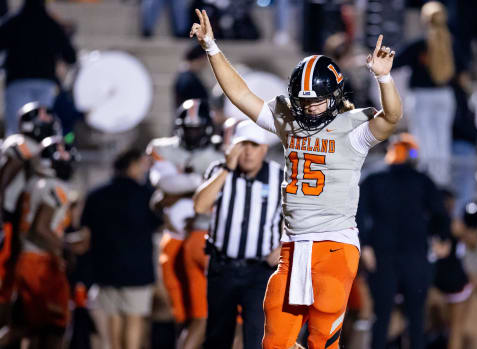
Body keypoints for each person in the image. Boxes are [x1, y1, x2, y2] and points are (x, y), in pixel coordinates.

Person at [189, 7, 402, 348]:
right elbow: (242, 96)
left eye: (318, 101)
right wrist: (212, 47)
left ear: (334, 96)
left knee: (322, 341)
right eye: (305, 101)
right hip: (292, 247)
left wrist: (384, 78)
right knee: (275, 341)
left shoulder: (353, 129)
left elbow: (391, 117)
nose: (311, 107)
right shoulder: (289, 119)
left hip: (334, 246)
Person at [193, 120, 283, 349]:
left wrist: (284, 246)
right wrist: (226, 168)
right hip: (222, 267)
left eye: (253, 145)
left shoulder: (280, 177)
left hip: (260, 271)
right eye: (243, 145)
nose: (248, 152)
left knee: (257, 339)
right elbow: (200, 206)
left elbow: (297, 218)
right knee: (217, 338)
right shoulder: (219, 171)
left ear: (264, 148)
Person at [357, 133, 450, 349]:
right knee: (394, 317)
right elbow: (359, 213)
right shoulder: (379, 179)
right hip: (393, 255)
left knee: (406, 318)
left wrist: (365, 243)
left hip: (402, 254)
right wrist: (365, 244)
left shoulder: (381, 179)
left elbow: (440, 213)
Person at [147, 98, 221, 348]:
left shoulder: (220, 151)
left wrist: (183, 189)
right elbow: (160, 194)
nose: (193, 133)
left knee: (206, 316)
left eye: (197, 128)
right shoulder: (164, 148)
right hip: (177, 239)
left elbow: (168, 194)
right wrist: (197, 184)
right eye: (188, 128)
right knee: (181, 312)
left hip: (206, 235)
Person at [80, 149, 162, 349]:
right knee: (134, 321)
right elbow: (159, 224)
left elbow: (86, 235)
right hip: (138, 272)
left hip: (105, 270)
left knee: (113, 321)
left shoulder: (96, 195)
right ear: (132, 165)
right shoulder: (146, 195)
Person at [9, 137, 86, 348]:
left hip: (28, 258)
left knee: (32, 328)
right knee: (55, 327)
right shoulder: (54, 187)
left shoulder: (34, 183)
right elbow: (41, 228)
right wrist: (68, 246)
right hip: (41, 264)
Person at [0, 102, 61, 327]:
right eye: (43, 117)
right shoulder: (24, 144)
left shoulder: (21, 143)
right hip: (6, 217)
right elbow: (4, 179)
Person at [393, 1, 457, 186]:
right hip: (445, 95)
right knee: (442, 139)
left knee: (423, 139)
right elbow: (462, 68)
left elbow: (395, 62)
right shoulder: (451, 42)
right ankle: (441, 180)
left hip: (422, 96)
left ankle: (427, 180)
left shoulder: (419, 44)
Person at [0, 0, 76, 136]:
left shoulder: (13, 22)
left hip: (18, 82)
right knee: (44, 132)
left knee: (17, 132)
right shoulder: (52, 25)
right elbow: (70, 57)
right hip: (45, 84)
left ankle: (17, 155)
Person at [432, 189, 472, 349]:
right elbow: (473, 242)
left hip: (434, 281)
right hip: (455, 282)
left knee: (434, 329)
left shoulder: (426, 223)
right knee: (456, 330)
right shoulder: (454, 224)